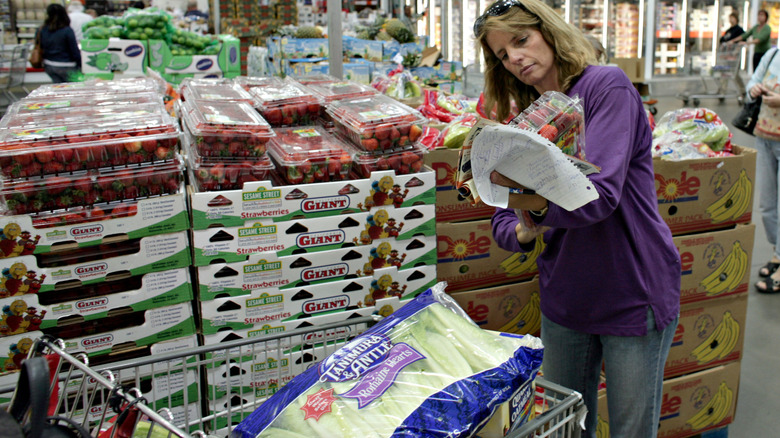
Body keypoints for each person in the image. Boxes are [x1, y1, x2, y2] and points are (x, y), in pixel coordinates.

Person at [473, 0, 681, 436]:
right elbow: (501, 220)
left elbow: (599, 197)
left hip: (631, 288)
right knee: (561, 428)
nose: (515, 58)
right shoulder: (528, 119)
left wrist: (531, 205)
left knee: (630, 428)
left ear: (547, 31)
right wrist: (524, 230)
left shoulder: (606, 87)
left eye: (520, 40)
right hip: (566, 296)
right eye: (501, 54)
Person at [746, 47, 780, 293]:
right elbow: (753, 82)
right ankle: (777, 253)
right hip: (765, 136)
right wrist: (753, 90)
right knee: (767, 206)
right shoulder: (773, 54)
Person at [38, 3, 81, 83]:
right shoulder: (67, 30)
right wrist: (80, 64)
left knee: (57, 88)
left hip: (49, 65)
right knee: (71, 90)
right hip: (67, 65)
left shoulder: (42, 29)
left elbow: (40, 46)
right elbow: (74, 51)